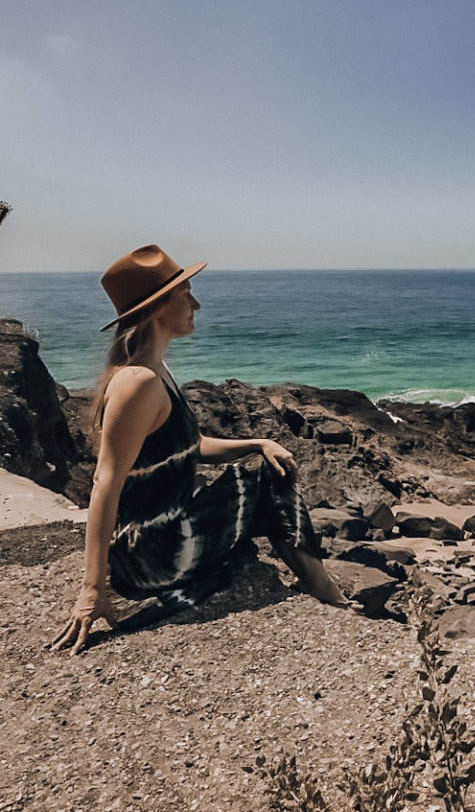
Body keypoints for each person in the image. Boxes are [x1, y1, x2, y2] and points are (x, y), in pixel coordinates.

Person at [53, 244, 356, 655]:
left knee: (264, 465)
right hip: (154, 554)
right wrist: (92, 590)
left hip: (160, 541)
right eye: (186, 294)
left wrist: (257, 442)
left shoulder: (156, 371)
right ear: (159, 306)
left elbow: (188, 448)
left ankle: (318, 585)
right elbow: (104, 482)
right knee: (268, 482)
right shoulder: (138, 382)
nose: (197, 303)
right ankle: (326, 592)